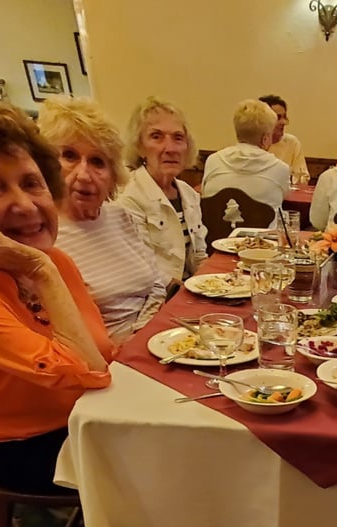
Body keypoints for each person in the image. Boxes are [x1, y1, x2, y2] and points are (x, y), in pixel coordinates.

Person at [0, 93, 113, 492]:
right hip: (11, 444)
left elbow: (101, 354)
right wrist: (39, 269)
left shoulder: (57, 261)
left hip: (81, 417)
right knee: (168, 457)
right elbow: (90, 371)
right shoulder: (42, 266)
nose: (26, 206)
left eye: (32, 183)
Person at [38, 98, 168, 343]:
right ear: (46, 165)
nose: (84, 174)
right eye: (69, 156)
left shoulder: (121, 216)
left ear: (112, 175)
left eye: (98, 161)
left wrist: (144, 332)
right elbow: (59, 333)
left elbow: (157, 284)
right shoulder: (42, 237)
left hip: (154, 340)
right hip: (105, 359)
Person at [118, 96, 207, 284]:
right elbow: (143, 270)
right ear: (139, 146)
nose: (170, 148)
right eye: (156, 137)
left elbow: (198, 256)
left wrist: (215, 285)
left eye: (178, 138)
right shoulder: (129, 198)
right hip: (157, 298)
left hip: (189, 291)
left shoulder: (188, 194)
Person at [201, 99, 290, 223]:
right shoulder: (280, 169)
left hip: (216, 240)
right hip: (265, 241)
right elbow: (283, 197)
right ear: (265, 139)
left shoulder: (213, 161)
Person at [259, 94, 308, 178]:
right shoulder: (253, 143)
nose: (283, 122)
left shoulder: (292, 142)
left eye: (284, 117)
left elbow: (302, 177)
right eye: (278, 117)